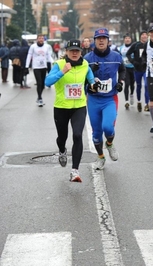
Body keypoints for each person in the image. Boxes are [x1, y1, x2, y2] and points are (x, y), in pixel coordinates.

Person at [45, 39, 96, 182]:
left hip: (79, 106)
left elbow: (91, 80)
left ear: (81, 52)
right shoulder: (59, 64)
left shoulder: (85, 65)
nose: (74, 53)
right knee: (62, 138)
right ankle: (62, 150)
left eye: (77, 51)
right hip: (61, 107)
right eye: (72, 50)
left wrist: (93, 85)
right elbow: (47, 82)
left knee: (78, 135)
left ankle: (75, 171)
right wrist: (62, 72)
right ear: (66, 52)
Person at [84, 27, 126, 170]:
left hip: (110, 98)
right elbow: (81, 78)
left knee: (108, 127)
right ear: (94, 41)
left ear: (108, 41)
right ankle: (101, 157)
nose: (101, 41)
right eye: (98, 39)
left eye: (104, 38)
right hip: (94, 99)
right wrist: (89, 77)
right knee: (96, 133)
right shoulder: (87, 59)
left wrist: (121, 82)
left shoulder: (116, 56)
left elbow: (123, 70)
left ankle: (109, 144)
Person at [25, 34, 54, 107]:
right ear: (37, 39)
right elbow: (29, 55)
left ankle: (39, 96)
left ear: (44, 39)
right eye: (39, 38)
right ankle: (40, 98)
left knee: (43, 84)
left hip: (43, 66)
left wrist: (54, 63)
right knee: (39, 82)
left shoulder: (46, 47)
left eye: (42, 38)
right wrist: (26, 66)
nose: (41, 39)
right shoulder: (33, 46)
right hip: (36, 67)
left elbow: (49, 56)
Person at [126, 31, 150, 112]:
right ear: (140, 37)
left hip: (146, 69)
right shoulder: (136, 45)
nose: (144, 36)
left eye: (145, 35)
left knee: (147, 85)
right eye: (142, 35)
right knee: (138, 85)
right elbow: (128, 54)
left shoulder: (150, 45)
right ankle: (139, 102)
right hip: (137, 69)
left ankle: (147, 104)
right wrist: (133, 61)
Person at [118, 33, 136, 109]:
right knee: (127, 84)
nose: (127, 39)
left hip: (133, 68)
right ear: (124, 40)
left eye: (129, 38)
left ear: (131, 40)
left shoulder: (134, 47)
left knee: (132, 84)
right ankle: (126, 101)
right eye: (126, 38)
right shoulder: (121, 48)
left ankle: (131, 94)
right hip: (125, 69)